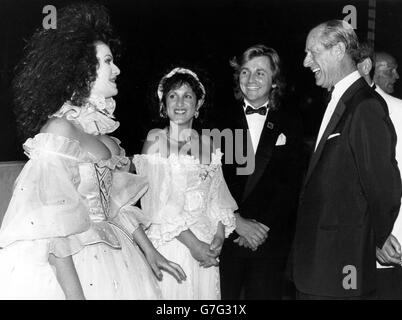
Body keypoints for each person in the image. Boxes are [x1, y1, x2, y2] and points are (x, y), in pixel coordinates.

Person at [0, 2, 186, 300]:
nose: (117, 69)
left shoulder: (99, 134)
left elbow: (115, 202)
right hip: (74, 265)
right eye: (108, 62)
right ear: (83, 70)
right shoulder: (59, 130)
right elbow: (51, 227)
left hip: (114, 253)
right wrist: (76, 296)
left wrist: (151, 252)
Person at [293, 20, 401, 299]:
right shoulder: (337, 100)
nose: (306, 62)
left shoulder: (364, 105)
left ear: (339, 49)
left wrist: (378, 236)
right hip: (320, 264)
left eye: (312, 52)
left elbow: (383, 183)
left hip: (342, 264)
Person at [133, 67, 237, 299]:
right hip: (173, 243)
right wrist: (195, 246)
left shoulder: (209, 144)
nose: (180, 102)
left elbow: (217, 198)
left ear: (198, 104)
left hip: (207, 250)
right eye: (173, 96)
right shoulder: (155, 141)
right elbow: (158, 206)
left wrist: (218, 237)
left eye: (187, 95)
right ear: (163, 104)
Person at [217, 44, 304, 299]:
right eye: (245, 72)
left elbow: (292, 183)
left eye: (260, 73)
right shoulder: (219, 120)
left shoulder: (291, 121)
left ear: (274, 81)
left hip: (270, 240)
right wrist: (237, 223)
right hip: (227, 236)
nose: (251, 79)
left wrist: (261, 227)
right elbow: (212, 178)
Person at [356, 44, 402, 299]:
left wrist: (381, 234)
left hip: (388, 244)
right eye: (390, 70)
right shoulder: (336, 109)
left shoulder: (399, 111)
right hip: (347, 245)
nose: (396, 76)